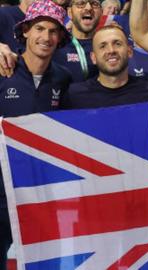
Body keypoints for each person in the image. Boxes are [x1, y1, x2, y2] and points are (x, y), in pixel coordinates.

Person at [0, 0, 71, 269]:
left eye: (54, 31)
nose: (46, 37)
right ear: (26, 31)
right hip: (1, 189)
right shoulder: (4, 69)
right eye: (40, 28)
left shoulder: (63, 79)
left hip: (41, 190)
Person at [63, 24, 148, 109]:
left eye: (117, 44)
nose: (111, 50)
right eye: (103, 46)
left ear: (129, 51)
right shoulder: (75, 96)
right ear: (93, 57)